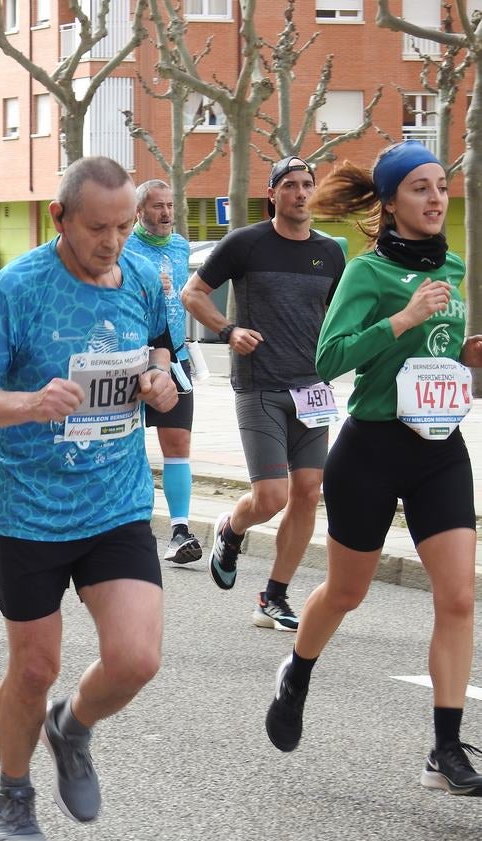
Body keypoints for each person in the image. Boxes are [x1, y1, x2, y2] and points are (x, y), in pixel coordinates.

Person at [0, 157, 177, 841]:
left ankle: (70, 726)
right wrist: (27, 403)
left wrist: (161, 382)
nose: (113, 241)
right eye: (98, 227)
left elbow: (161, 348)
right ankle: (11, 794)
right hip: (32, 512)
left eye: (124, 225)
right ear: (60, 219)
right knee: (34, 668)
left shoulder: (138, 274)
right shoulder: (17, 289)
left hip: (116, 500)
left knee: (136, 660)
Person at [265, 141, 482, 794]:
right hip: (370, 451)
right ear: (388, 203)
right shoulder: (365, 274)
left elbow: (439, 360)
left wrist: (469, 359)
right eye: (419, 188)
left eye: (440, 187)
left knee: (459, 595)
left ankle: (443, 749)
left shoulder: (453, 266)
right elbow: (327, 359)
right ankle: (296, 671)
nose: (435, 199)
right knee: (346, 592)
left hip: (439, 448)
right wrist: (401, 318)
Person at [181, 157, 345, 631]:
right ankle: (231, 530)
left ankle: (273, 596)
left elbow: (340, 318)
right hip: (260, 386)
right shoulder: (246, 243)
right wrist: (229, 330)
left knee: (309, 493)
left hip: (312, 391)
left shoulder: (331, 253)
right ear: (272, 194)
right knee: (271, 496)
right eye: (289, 185)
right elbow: (192, 294)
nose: (299, 192)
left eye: (306, 184)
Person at [124, 179, 202, 565]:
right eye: (157, 206)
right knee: (128, 447)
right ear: (139, 212)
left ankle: (180, 531)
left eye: (170, 205)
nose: (166, 213)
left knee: (177, 446)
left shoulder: (181, 245)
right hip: (131, 359)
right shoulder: (125, 248)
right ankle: (132, 526)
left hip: (175, 358)